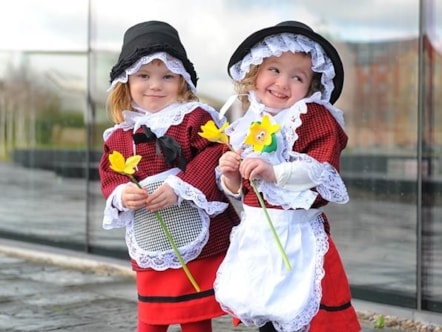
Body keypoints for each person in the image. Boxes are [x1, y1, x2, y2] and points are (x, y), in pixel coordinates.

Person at [213, 21, 362, 332]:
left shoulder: (313, 118)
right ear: (255, 73)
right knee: (267, 307)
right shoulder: (247, 122)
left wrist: (274, 171)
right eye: (274, 70)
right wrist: (231, 175)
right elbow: (241, 190)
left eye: (297, 76)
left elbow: (320, 170)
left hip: (296, 235)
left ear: (310, 87)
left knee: (302, 310)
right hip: (258, 232)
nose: (283, 83)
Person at [98, 20, 239, 332]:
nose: (155, 85)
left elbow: (214, 152)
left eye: (167, 77)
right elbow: (110, 172)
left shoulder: (195, 118)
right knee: (151, 316)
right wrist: (123, 193)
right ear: (126, 81)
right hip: (152, 235)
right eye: (144, 76)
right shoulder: (120, 135)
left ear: (182, 81)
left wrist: (180, 185)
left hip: (194, 237)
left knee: (194, 315)